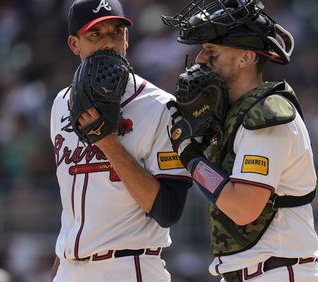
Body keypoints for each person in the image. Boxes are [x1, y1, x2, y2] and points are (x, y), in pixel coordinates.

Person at [163, 0, 318, 281]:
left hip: (279, 273)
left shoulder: (267, 115)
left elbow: (243, 208)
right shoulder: (232, 115)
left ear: (245, 57)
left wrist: (191, 158)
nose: (201, 58)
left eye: (211, 50)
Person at [49, 0, 191, 281]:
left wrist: (109, 144)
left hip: (129, 266)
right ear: (74, 44)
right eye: (95, 35)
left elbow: (168, 210)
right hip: (70, 268)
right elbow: (76, 210)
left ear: (127, 38)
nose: (108, 43)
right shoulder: (61, 104)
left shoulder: (161, 106)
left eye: (116, 32)